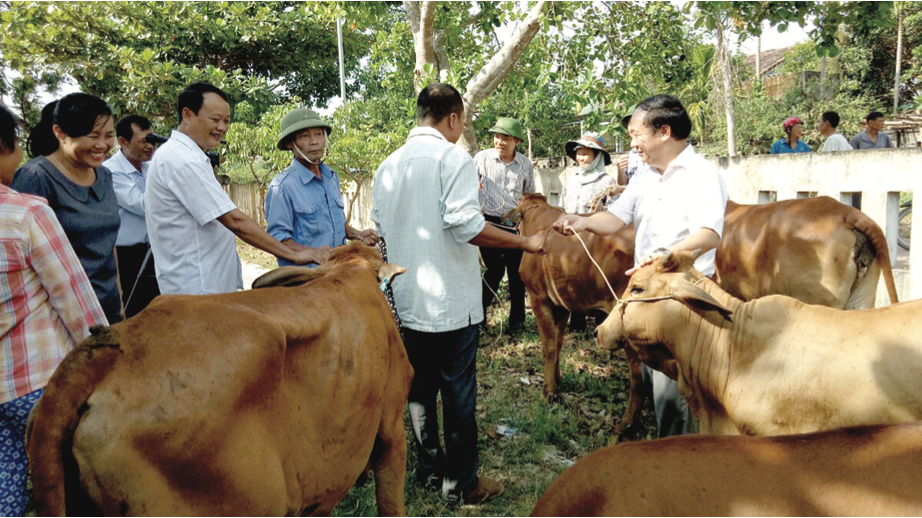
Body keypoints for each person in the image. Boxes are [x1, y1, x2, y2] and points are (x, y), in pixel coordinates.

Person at [371, 83, 544, 504]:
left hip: (408, 301)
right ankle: (462, 484)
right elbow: (466, 225)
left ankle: (431, 471)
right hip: (451, 305)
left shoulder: (387, 165)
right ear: (452, 119)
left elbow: (378, 231)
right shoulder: (454, 158)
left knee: (420, 391)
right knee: (458, 393)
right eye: (462, 122)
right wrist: (524, 243)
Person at [552, 94, 728, 438]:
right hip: (647, 294)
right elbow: (617, 217)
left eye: (636, 135)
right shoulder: (646, 175)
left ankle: (681, 461)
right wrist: (582, 221)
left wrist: (666, 256)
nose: (632, 144)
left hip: (679, 298)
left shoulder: (702, 174)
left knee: (674, 392)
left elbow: (709, 234)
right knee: (653, 376)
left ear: (664, 132)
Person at [0, 104, 108, 517]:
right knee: (72, 485)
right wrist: (107, 360)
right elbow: (75, 299)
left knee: (6, 486)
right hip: (42, 385)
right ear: (5, 149)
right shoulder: (26, 213)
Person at [145, 83, 320, 295]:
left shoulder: (191, 157)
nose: (222, 128)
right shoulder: (182, 160)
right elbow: (234, 221)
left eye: (226, 121)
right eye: (215, 120)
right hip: (197, 290)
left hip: (210, 285)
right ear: (187, 115)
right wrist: (293, 254)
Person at [11, 93, 124, 324]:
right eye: (93, 136)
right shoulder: (36, 177)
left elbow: (109, 246)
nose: (102, 145)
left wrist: (119, 302)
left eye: (109, 136)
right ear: (60, 133)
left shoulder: (104, 175)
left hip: (106, 308)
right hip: (60, 316)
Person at [265, 108, 377, 267]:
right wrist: (312, 254)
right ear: (290, 143)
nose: (314, 141)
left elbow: (335, 224)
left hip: (338, 271)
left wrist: (358, 235)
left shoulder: (331, 177)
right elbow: (278, 241)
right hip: (308, 280)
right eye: (304, 136)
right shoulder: (282, 187)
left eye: (318, 134)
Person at [475, 117, 535, 334]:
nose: (499, 142)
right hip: (488, 222)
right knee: (494, 271)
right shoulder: (481, 159)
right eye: (497, 137)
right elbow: (469, 187)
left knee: (517, 274)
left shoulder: (525, 164)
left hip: (514, 225)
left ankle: (517, 322)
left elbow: (529, 195)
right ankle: (479, 317)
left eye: (505, 138)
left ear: (517, 141)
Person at [104, 115, 160, 317]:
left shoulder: (150, 167)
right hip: (126, 255)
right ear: (123, 142)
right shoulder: (111, 171)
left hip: (153, 249)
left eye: (153, 140)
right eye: (143, 141)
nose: (150, 146)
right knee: (133, 310)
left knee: (156, 308)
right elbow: (144, 205)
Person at [560, 133, 623, 214]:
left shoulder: (607, 181)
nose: (580, 159)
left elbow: (616, 210)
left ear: (597, 157)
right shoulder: (571, 180)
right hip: (569, 226)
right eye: (578, 154)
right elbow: (561, 207)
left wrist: (601, 209)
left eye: (584, 154)